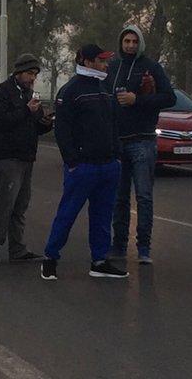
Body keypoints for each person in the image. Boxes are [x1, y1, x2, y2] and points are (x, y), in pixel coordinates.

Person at [41, 44, 127, 280]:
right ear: (87, 62)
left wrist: (116, 156)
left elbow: (113, 124)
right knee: (67, 214)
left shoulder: (105, 88)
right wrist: (72, 161)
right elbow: (62, 130)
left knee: (102, 217)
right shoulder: (71, 91)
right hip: (83, 166)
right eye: (101, 60)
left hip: (108, 165)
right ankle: (50, 258)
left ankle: (99, 261)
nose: (105, 64)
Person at [106, 25, 175, 265]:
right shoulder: (112, 67)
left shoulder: (151, 67)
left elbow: (169, 97)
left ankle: (144, 247)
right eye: (126, 41)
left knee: (144, 196)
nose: (130, 45)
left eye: (134, 41)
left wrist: (139, 99)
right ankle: (118, 246)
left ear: (140, 43)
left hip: (143, 140)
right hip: (117, 141)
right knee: (119, 198)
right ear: (121, 43)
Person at [0, 53, 52, 265]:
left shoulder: (31, 95)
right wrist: (25, 110)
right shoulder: (0, 92)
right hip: (7, 156)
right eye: (30, 74)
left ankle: (17, 247)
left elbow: (34, 126)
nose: (32, 78)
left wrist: (46, 122)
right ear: (19, 72)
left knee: (21, 205)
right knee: (6, 203)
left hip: (26, 156)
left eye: (35, 75)